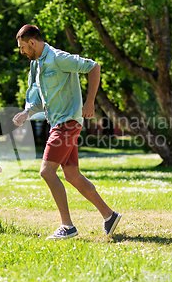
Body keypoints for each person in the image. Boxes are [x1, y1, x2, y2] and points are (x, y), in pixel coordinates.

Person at [12, 24, 121, 240]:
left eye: (23, 47)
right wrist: (26, 113)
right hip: (57, 123)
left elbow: (93, 67)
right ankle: (109, 216)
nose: (22, 52)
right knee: (71, 174)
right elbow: (35, 98)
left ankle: (67, 226)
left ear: (32, 42)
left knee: (46, 172)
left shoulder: (58, 57)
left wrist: (90, 102)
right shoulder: (35, 66)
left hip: (68, 122)